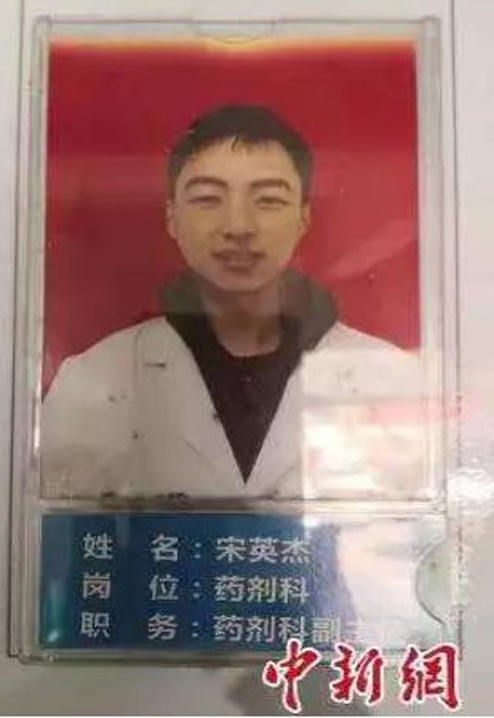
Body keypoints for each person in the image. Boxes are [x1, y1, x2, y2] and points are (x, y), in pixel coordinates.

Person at [40, 104, 426, 500]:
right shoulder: (95, 380)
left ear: (303, 218)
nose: (238, 226)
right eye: (208, 199)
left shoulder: (395, 381)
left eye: (268, 200)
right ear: (171, 217)